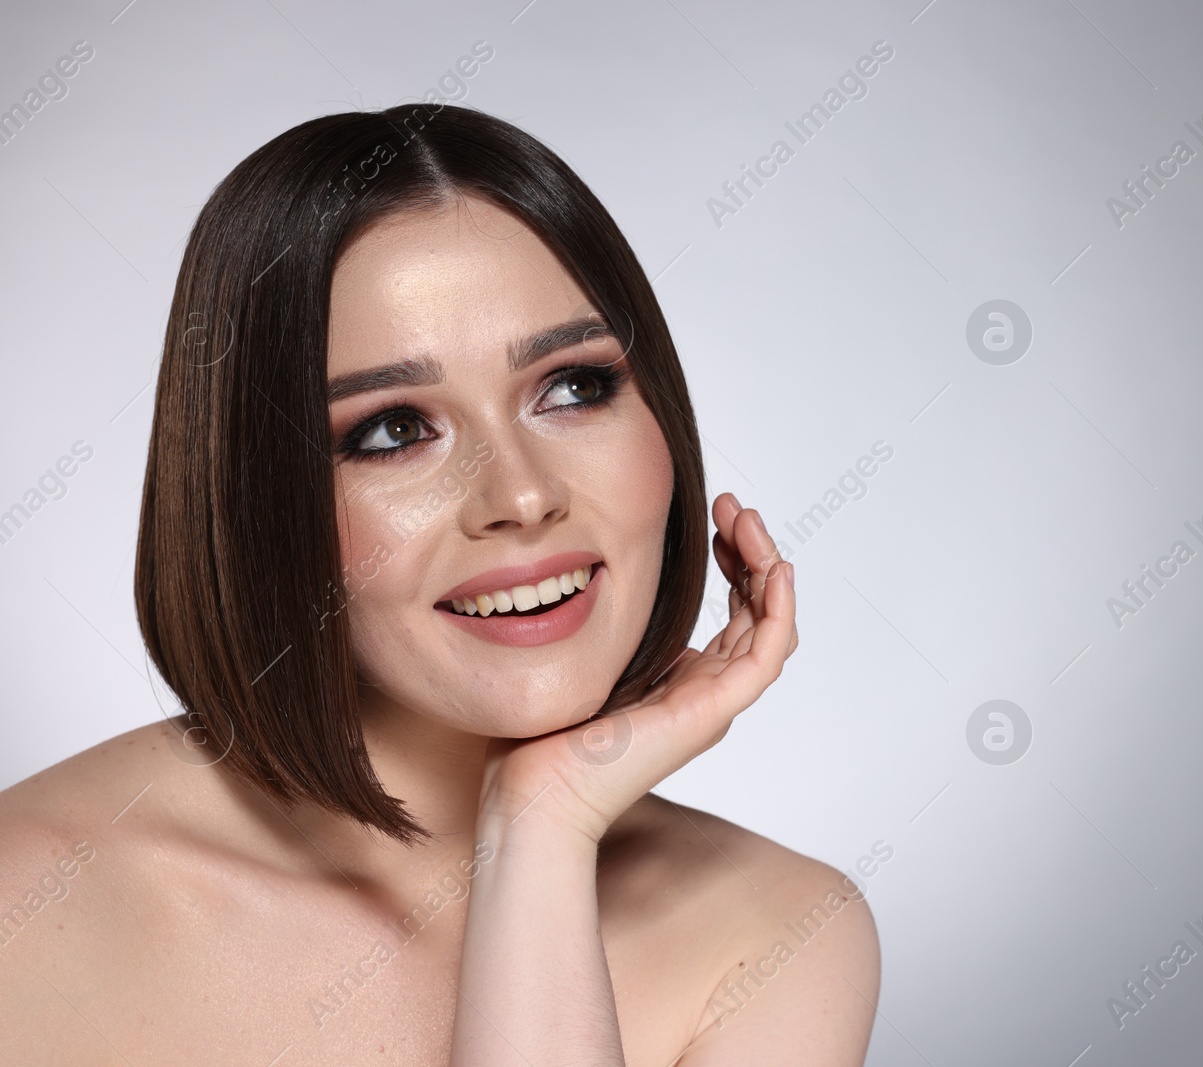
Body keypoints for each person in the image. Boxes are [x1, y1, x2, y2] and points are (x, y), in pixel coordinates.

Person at [0, 102, 880, 1065]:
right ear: (252, 493)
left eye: (573, 386)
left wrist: (542, 825)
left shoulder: (780, 935)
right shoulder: (26, 904)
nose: (523, 494)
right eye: (393, 429)